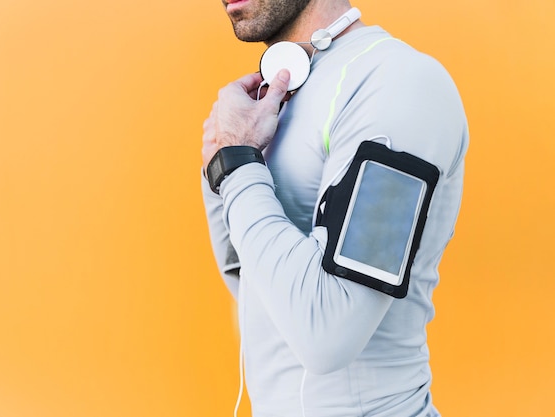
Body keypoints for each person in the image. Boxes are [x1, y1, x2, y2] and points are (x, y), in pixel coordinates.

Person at [200, 0, 468, 416]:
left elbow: (326, 335)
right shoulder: (269, 101)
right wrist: (224, 161)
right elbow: (255, 289)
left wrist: (236, 164)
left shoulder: (401, 84)